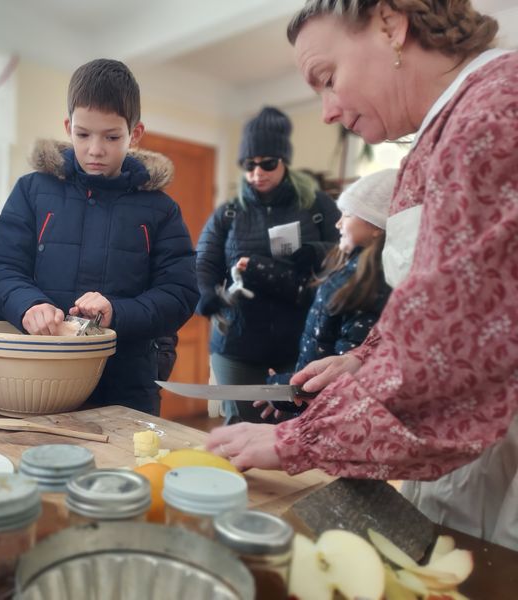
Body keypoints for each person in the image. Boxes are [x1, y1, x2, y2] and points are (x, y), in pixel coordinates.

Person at [207, 0, 518, 550]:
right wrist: (364, 358)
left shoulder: (491, 116)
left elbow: (454, 350)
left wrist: (298, 439)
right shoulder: (450, 126)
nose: (326, 110)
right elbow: (454, 299)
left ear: (391, 25)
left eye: (327, 79)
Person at [0, 58, 199, 415]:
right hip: (42, 379)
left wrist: (118, 312)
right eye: (83, 134)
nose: (95, 149)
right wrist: (29, 305)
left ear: (136, 133)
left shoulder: (161, 209)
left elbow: (180, 293)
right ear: (68, 127)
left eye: (112, 137)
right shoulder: (33, 191)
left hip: (128, 387)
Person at [195, 106, 340, 424]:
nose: (257, 174)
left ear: (284, 161)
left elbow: (349, 252)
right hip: (237, 343)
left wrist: (316, 251)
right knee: (242, 428)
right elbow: (204, 259)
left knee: (296, 429)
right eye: (249, 165)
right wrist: (206, 292)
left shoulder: (318, 206)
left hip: (301, 344)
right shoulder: (229, 212)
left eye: (267, 164)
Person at [262, 169, 395, 419]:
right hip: (313, 405)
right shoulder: (350, 268)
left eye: (347, 214)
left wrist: (287, 388)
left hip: (332, 415)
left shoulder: (374, 283)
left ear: (377, 226)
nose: (338, 223)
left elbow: (345, 366)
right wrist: (291, 387)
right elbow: (322, 342)